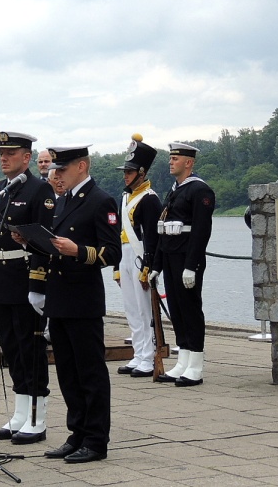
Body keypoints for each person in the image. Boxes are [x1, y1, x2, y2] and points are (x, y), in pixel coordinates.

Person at [42, 145, 121, 463]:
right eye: (56, 170)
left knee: (90, 372)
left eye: (62, 169)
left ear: (82, 166)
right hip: (59, 296)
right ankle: (77, 433)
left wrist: (80, 251)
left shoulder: (101, 200)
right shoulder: (63, 201)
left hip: (83, 298)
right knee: (67, 372)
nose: (57, 174)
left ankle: (96, 439)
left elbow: (112, 252)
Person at [0, 132, 56, 445]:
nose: (3, 158)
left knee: (31, 348)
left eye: (11, 153)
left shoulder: (39, 189)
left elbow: (45, 239)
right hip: (1, 277)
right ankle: (20, 412)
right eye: (1, 153)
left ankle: (37, 419)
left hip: (25, 276)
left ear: (27, 157)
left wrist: (38, 284)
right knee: (11, 347)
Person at [153, 142, 215, 387]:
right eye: (171, 158)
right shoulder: (175, 190)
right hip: (170, 256)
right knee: (176, 311)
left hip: (187, 258)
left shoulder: (200, 191)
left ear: (189, 163)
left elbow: (201, 231)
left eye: (176, 158)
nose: (171, 162)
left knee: (190, 309)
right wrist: (156, 265)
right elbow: (164, 229)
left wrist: (192, 265)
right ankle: (183, 360)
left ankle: (196, 365)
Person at [113, 135, 162, 377]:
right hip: (125, 254)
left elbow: (152, 237)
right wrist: (116, 267)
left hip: (140, 255)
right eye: (126, 171)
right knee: (131, 309)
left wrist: (149, 265)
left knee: (145, 310)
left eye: (130, 171)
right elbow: (117, 233)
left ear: (141, 173)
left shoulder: (149, 199)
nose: (126, 175)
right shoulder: (125, 198)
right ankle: (138, 352)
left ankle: (150, 356)